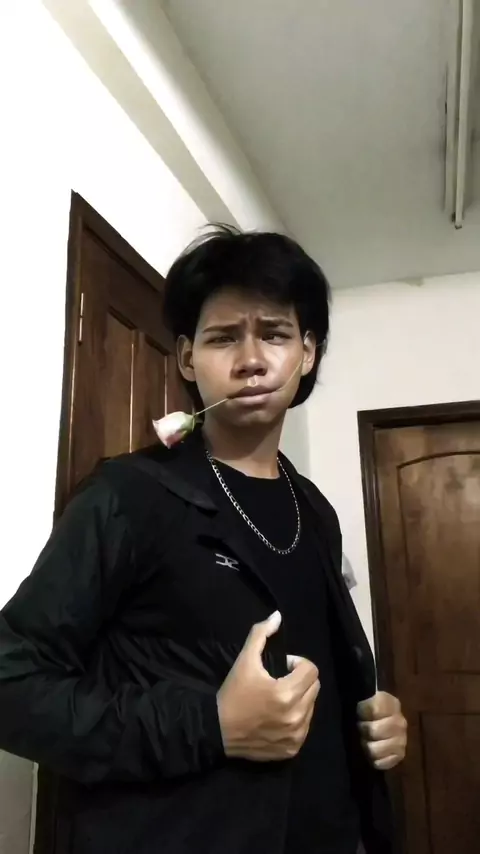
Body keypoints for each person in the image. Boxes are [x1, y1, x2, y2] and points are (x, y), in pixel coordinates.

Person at [0, 225, 407, 854]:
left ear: (308, 352)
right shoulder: (128, 496)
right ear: (188, 358)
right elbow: (11, 684)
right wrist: (210, 726)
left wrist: (368, 724)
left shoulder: (314, 510)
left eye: (274, 334)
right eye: (223, 338)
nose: (251, 359)